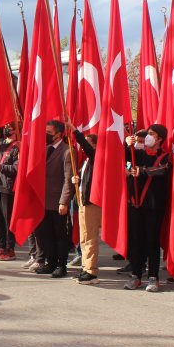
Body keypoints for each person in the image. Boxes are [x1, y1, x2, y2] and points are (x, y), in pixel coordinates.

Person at [123, 124, 170, 292]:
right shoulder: (138, 153)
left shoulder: (165, 156)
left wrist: (141, 170)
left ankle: (153, 277)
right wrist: (125, 143)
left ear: (159, 139)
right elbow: (124, 160)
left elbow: (161, 170)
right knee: (136, 241)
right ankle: (135, 275)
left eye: (151, 134)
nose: (148, 136)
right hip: (136, 204)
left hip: (154, 206)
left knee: (152, 242)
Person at [33, 120, 76, 277]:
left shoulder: (67, 151)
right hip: (44, 200)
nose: (46, 135)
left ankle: (61, 265)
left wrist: (64, 201)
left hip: (58, 202)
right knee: (47, 234)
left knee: (60, 236)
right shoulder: (44, 150)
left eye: (49, 133)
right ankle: (50, 263)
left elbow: (68, 178)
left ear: (59, 134)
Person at [67, 122, 101, 285]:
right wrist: (78, 179)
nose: (83, 146)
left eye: (88, 143)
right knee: (83, 236)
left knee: (89, 236)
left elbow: (86, 146)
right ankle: (85, 267)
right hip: (82, 201)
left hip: (91, 202)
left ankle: (91, 271)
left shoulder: (96, 156)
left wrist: (74, 130)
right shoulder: (88, 161)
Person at [0, 125, 20, 261]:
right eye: (6, 127)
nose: (7, 129)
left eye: (10, 127)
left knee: (7, 221)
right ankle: (0, 246)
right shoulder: (0, 144)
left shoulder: (18, 146)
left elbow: (16, 168)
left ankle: (9, 249)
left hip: (8, 187)